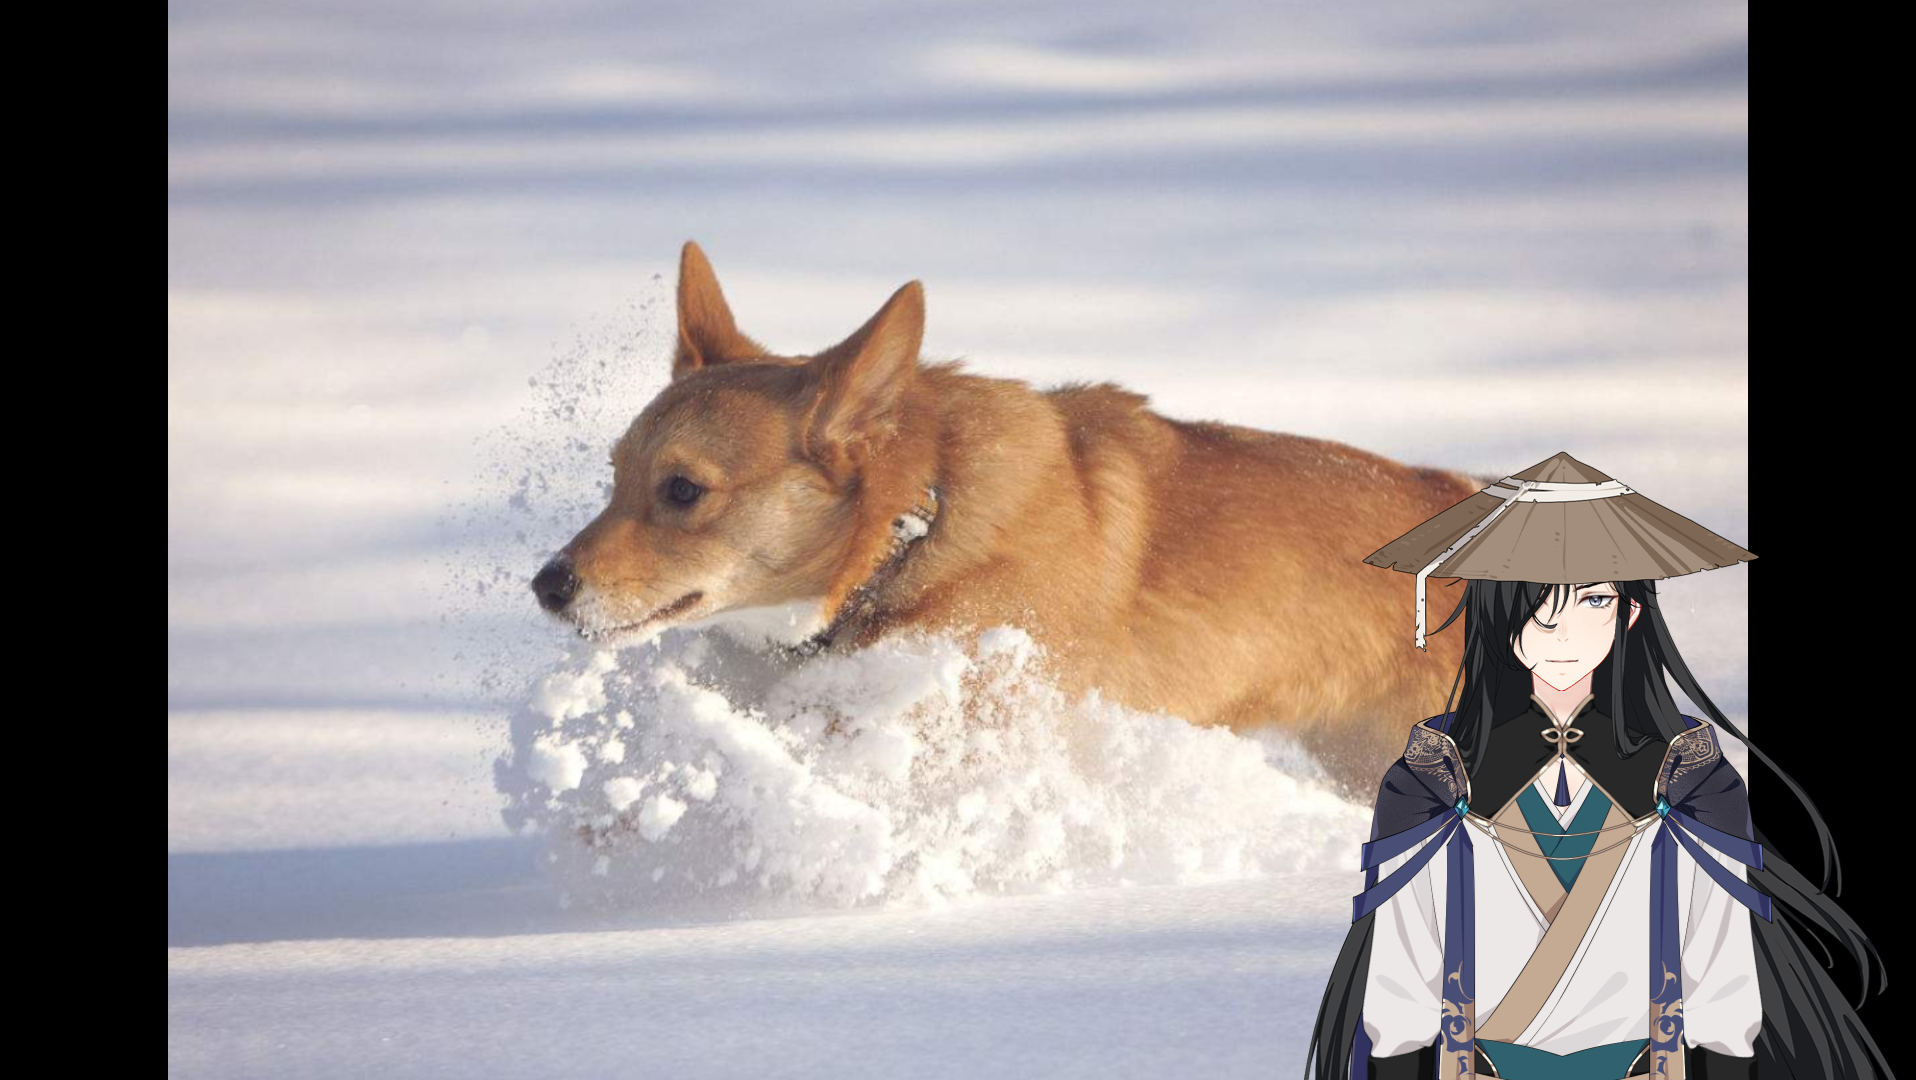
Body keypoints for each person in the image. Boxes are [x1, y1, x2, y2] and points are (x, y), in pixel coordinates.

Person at [1305, 452, 1889, 1079]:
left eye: (1592, 602)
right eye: (1536, 606)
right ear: (1497, 619)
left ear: (1629, 613)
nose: (1562, 633)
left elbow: (1721, 968)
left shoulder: (1690, 774)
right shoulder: (1432, 775)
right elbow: (1403, 970)